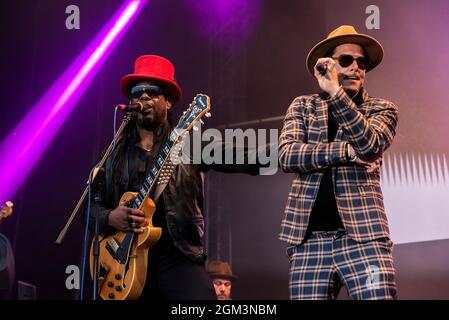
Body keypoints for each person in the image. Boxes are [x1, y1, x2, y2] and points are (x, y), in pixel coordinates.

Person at [88, 55, 263, 300]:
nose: (144, 98)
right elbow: (89, 210)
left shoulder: (189, 145)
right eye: (138, 93)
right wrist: (111, 217)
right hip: (126, 260)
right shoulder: (114, 154)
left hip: (179, 256)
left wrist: (281, 152)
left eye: (153, 92)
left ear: (169, 101)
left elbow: (240, 156)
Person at [278, 25, 399, 300]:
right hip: (308, 241)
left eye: (361, 62)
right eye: (346, 60)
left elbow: (368, 145)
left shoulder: (381, 108)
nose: (356, 67)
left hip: (365, 237)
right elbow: (287, 154)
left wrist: (335, 93)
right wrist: (345, 151)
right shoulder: (303, 106)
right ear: (329, 64)